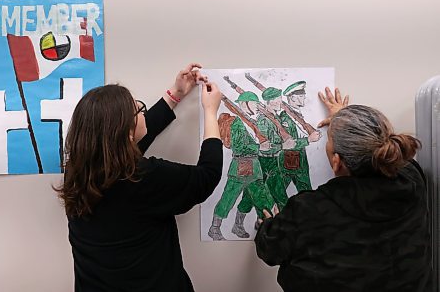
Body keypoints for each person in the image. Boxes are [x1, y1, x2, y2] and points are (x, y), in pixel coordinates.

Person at [55, 63, 224, 292]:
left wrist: (175, 93)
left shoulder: (78, 172)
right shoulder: (142, 178)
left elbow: (134, 138)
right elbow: (207, 176)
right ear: (126, 131)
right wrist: (211, 113)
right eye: (138, 110)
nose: (143, 113)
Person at [255, 87, 432, 291]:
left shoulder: (308, 209)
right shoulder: (412, 177)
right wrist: (345, 122)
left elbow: (269, 249)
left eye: (329, 141)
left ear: (336, 162)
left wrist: (266, 225)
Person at [208, 91, 274, 240]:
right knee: (229, 198)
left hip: (255, 167)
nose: (258, 106)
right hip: (241, 166)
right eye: (254, 103)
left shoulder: (251, 122)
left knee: (259, 198)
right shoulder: (237, 122)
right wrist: (259, 148)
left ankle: (239, 226)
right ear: (244, 104)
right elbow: (238, 146)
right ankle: (214, 228)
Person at [275, 81, 321, 210]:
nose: (304, 97)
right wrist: (308, 140)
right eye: (301, 95)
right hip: (289, 160)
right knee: (279, 193)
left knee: (306, 192)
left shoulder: (297, 115)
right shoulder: (285, 118)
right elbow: (287, 143)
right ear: (292, 97)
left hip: (299, 159)